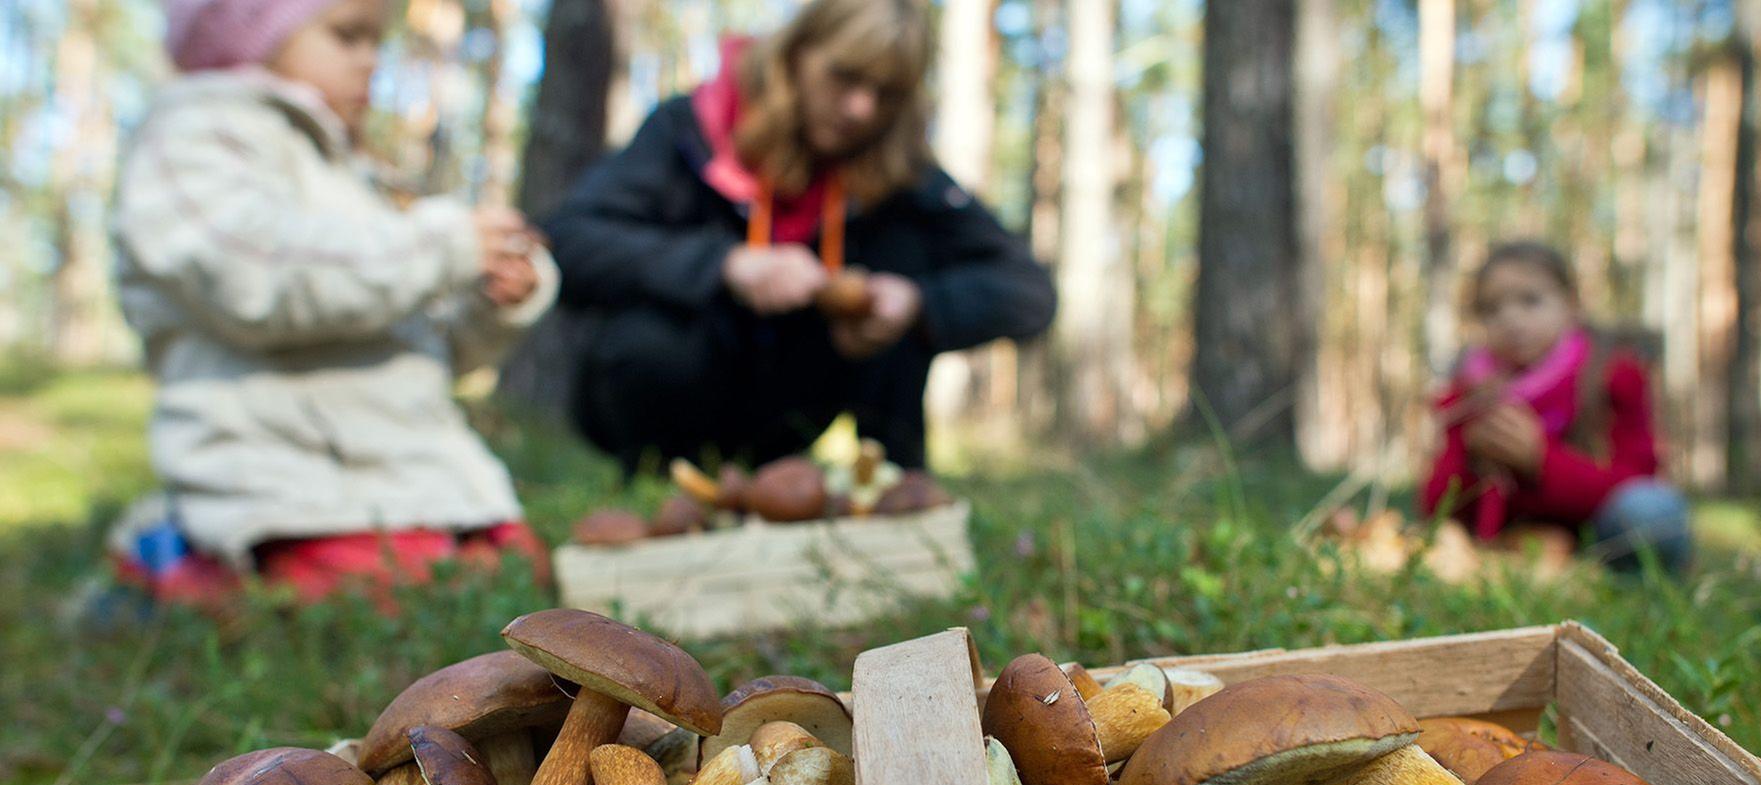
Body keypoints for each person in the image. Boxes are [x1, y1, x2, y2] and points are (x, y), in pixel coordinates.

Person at [109, 0, 557, 609]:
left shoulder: (357, 178)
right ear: (248, 30)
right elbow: (252, 274)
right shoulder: (192, 137)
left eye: (376, 42)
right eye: (347, 36)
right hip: (284, 479)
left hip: (416, 476)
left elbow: (425, 347)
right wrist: (439, 247)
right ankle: (176, 566)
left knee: (518, 570)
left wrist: (490, 302)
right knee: (404, 594)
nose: (370, 61)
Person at [546, 0, 1056, 476]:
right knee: (652, 331)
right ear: (796, 54)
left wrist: (919, 304)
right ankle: (661, 483)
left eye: (885, 93)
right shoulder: (688, 131)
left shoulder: (899, 171)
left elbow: (1029, 291)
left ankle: (891, 484)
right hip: (666, 402)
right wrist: (724, 265)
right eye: (844, 76)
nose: (860, 108)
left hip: (793, 414)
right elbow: (567, 241)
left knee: (905, 253)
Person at [1420, 241, 1692, 572]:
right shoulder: (1471, 395)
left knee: (1652, 512)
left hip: (1600, 540)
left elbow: (1637, 486)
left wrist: (1541, 462)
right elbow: (1435, 507)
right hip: (1517, 549)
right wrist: (1472, 457)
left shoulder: (1612, 376)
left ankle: (1626, 579)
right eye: (1492, 309)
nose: (1511, 318)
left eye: (1530, 300)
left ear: (1571, 305)